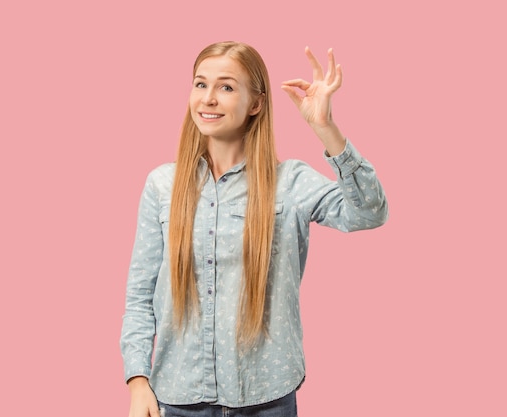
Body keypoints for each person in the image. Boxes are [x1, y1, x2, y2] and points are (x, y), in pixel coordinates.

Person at [121, 41, 388, 417]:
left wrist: (326, 129)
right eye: (200, 84)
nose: (209, 99)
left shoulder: (290, 183)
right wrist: (137, 380)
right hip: (178, 397)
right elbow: (139, 296)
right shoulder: (162, 185)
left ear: (256, 104)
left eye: (226, 87)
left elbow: (369, 213)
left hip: (267, 398)